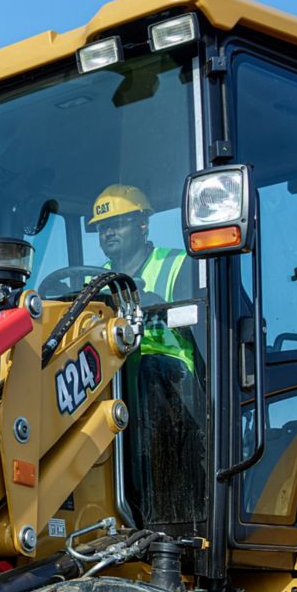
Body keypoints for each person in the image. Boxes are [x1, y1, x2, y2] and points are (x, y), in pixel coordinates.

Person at [88, 184, 202, 527]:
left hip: (171, 379)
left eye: (118, 223)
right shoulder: (95, 281)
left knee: (146, 370)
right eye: (102, 227)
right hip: (117, 372)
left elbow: (202, 323)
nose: (109, 232)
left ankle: (166, 519)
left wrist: (157, 305)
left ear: (142, 225)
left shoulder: (177, 265)